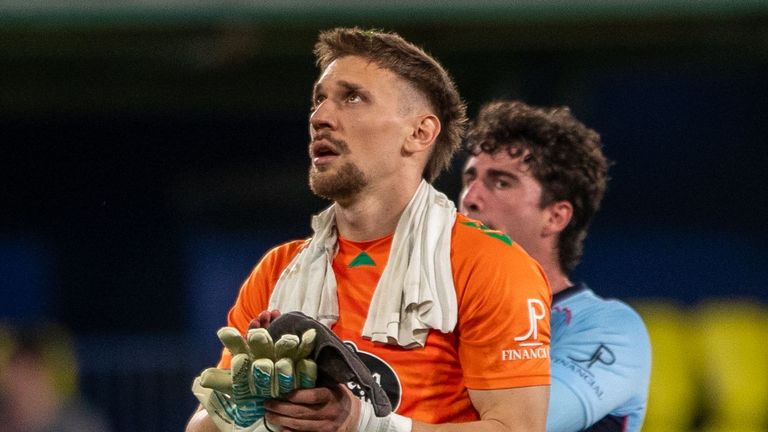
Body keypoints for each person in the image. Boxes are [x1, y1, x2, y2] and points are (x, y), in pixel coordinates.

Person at [186, 28, 552, 432]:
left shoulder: (487, 264)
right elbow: (201, 428)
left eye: (352, 97)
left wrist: (366, 424)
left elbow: (517, 428)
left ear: (419, 133)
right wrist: (239, 414)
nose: (320, 117)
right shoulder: (278, 270)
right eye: (319, 100)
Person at [459, 100, 651, 432]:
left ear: (555, 216)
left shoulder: (609, 328)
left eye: (501, 182)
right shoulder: (441, 317)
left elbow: (520, 424)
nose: (469, 198)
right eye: (469, 178)